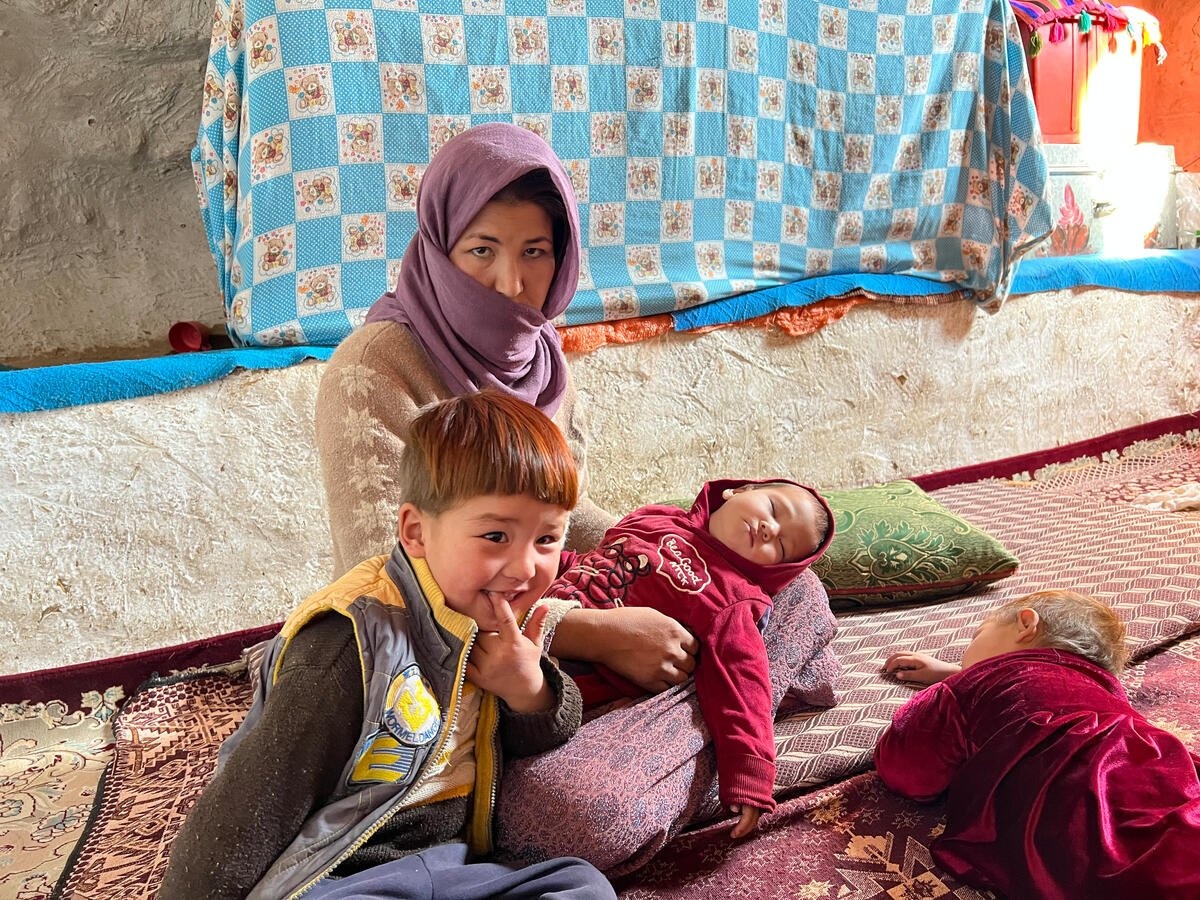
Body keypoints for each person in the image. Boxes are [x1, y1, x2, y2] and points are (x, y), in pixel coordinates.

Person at [160, 390, 617, 899]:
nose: (525, 567)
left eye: (548, 540)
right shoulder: (347, 643)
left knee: (582, 886)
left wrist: (529, 691)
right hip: (339, 871)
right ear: (416, 532)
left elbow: (534, 737)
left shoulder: (496, 615)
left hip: (450, 864)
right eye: (495, 536)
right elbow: (249, 805)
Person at [315, 121, 699, 699]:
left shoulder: (544, 360)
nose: (511, 284)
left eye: (535, 252)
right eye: (481, 250)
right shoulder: (375, 367)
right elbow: (385, 579)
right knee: (594, 777)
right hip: (426, 663)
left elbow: (554, 516)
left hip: (537, 613)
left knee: (768, 597)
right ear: (440, 248)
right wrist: (584, 633)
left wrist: (659, 549)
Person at [545, 478, 834, 839]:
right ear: (738, 491)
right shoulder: (656, 517)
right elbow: (593, 560)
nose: (767, 529)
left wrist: (749, 773)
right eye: (773, 510)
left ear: (777, 570)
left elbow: (744, 687)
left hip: (569, 687)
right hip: (547, 612)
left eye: (781, 544)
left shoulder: (736, 601)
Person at [875, 589, 1200, 899]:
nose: (967, 662)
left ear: (1026, 624)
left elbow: (907, 770)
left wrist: (955, 685)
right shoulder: (1110, 697)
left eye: (975, 637)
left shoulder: (975, 684)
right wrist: (955, 673)